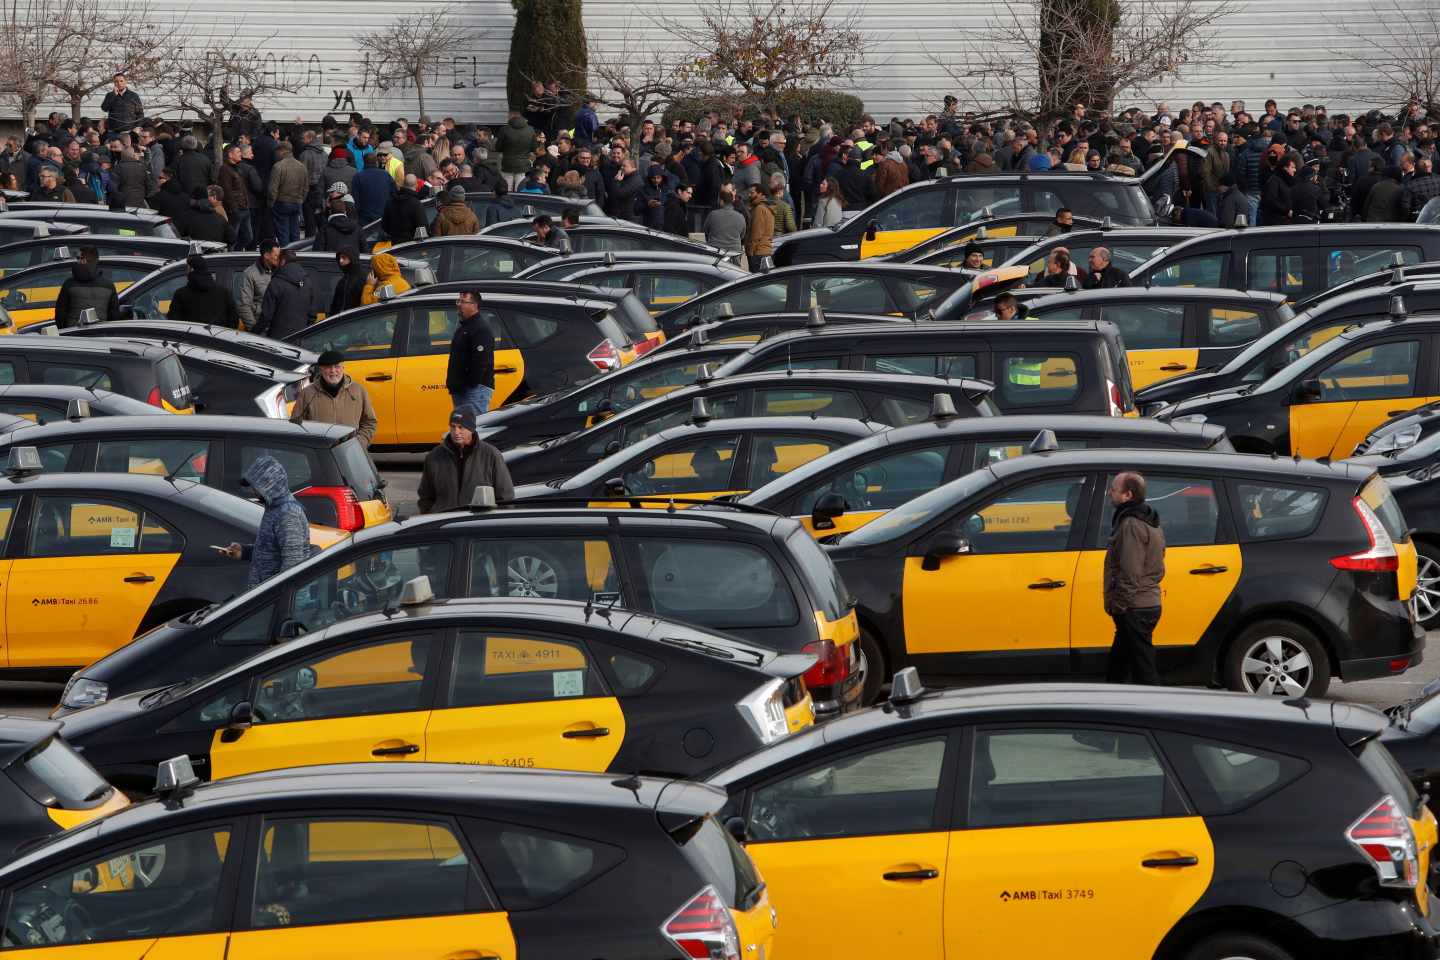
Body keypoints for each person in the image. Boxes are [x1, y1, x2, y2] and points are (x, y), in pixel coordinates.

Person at [1103, 471, 1166, 685]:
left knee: (1144, 669)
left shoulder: (1130, 524)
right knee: (1118, 665)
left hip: (1134, 606)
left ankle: (1155, 710)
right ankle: (1113, 705)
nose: (1109, 493)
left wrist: (1119, 605)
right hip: (1146, 603)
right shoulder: (1150, 519)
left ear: (1127, 495)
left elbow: (1130, 571)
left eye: (1113, 489)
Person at [219, 455, 312, 587]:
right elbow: (271, 551)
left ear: (269, 485)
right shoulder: (274, 508)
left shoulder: (288, 514)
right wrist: (244, 552)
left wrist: (276, 600)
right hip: (267, 595)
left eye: (256, 487)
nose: (254, 491)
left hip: (275, 599)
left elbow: (293, 565)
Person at [417, 407, 515, 513]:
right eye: (453, 427)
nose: (456, 432)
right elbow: (425, 496)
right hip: (443, 522)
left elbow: (505, 496)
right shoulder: (434, 456)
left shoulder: (491, 455)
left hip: (476, 523)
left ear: (471, 429)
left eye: (461, 427)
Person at [290, 349, 378, 448]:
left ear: (343, 367)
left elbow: (369, 422)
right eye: (328, 367)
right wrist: (312, 446)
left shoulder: (358, 390)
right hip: (320, 454)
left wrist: (359, 443)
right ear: (321, 369)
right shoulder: (307, 393)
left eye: (337, 366)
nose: (333, 371)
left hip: (351, 452)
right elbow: (296, 424)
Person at [447, 289, 495, 414]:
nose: (458, 304)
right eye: (458, 301)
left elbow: (480, 362)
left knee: (473, 427)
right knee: (463, 428)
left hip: (474, 390)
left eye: (463, 302)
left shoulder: (480, 329)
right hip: (462, 389)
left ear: (474, 305)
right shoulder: (464, 327)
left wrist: (470, 385)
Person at [167, 254, 240, 327]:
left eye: (187, 268)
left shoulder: (181, 294)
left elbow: (174, 322)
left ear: (192, 269)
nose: (186, 272)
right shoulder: (224, 292)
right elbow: (234, 319)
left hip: (190, 336)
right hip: (219, 336)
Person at [53, 247, 118, 328]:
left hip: (73, 335)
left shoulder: (69, 284)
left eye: (78, 258)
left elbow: (60, 315)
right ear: (96, 261)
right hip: (100, 334)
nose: (76, 261)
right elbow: (114, 317)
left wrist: (64, 331)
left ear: (83, 260)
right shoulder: (108, 286)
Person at [253, 249, 311, 340]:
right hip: (301, 338)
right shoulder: (308, 281)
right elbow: (313, 313)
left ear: (283, 261)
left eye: (277, 261)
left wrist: (254, 333)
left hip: (278, 339)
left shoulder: (276, 283)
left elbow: (266, 315)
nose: (276, 264)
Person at [268, 143, 308, 246]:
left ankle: (285, 254)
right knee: (295, 231)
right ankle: (295, 253)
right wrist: (301, 200)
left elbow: (273, 189)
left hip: (281, 203)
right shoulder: (302, 166)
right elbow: (306, 188)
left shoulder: (278, 166)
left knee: (283, 232)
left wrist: (271, 203)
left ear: (282, 151)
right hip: (297, 202)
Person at [237, 240, 281, 331]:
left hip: (279, 327)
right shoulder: (249, 274)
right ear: (266, 255)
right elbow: (244, 305)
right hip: (261, 329)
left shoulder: (282, 271)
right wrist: (255, 330)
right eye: (276, 255)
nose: (278, 258)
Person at [382, 174, 428, 241]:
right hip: (410, 246)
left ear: (403, 184)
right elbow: (423, 228)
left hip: (395, 246)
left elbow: (384, 226)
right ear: (416, 185)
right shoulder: (416, 204)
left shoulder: (390, 202)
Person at [744, 182, 775, 272]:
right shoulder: (767, 207)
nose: (749, 195)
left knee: (755, 283)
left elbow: (756, 233)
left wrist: (750, 251)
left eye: (752, 193)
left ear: (760, 194)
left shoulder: (759, 209)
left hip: (758, 253)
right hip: (766, 251)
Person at [330, 248, 368, 315]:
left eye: (344, 258)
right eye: (339, 258)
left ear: (352, 258)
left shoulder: (362, 278)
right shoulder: (343, 280)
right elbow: (335, 304)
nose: (340, 261)